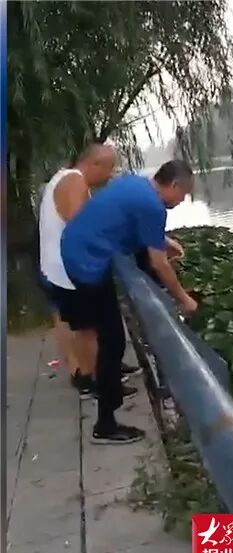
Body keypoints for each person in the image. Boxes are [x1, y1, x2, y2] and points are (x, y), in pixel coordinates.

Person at [48, 159, 197, 445]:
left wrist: (163, 240)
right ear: (174, 185)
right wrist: (184, 299)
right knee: (113, 341)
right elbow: (159, 263)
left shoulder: (136, 184)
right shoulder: (153, 206)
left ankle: (109, 393)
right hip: (86, 265)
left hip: (74, 249)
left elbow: (131, 223)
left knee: (108, 336)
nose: (182, 201)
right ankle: (105, 424)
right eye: (184, 194)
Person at [38, 144, 143, 400]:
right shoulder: (74, 182)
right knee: (91, 328)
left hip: (62, 266)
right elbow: (83, 226)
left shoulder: (64, 178)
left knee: (85, 325)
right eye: (109, 168)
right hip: (72, 268)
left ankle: (96, 373)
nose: (110, 175)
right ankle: (99, 382)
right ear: (95, 164)